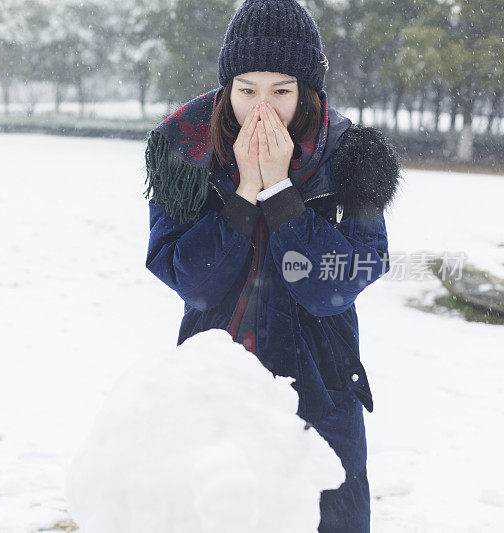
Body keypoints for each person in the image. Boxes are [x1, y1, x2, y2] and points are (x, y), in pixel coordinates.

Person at [142, 0, 401, 531]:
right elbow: (194, 282)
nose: (263, 109)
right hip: (218, 376)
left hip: (321, 385)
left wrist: (282, 194)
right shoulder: (182, 154)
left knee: (326, 515)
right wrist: (242, 196)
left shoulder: (352, 157)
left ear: (307, 91)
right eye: (247, 90)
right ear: (225, 88)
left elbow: (335, 286)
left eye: (281, 91)